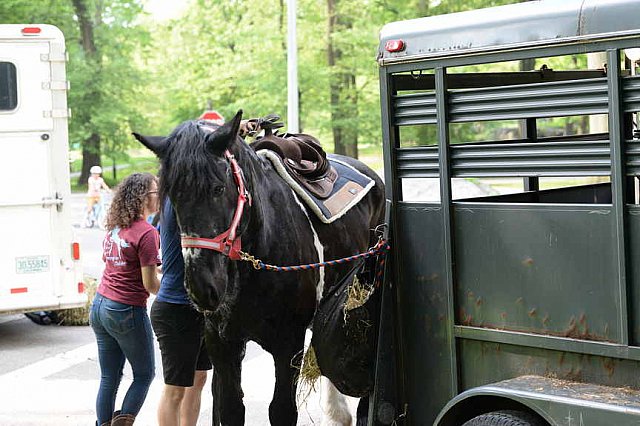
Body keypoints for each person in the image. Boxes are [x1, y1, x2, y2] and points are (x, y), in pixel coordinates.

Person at [90, 172, 161, 426]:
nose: (159, 198)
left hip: (99, 305)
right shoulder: (148, 233)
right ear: (144, 197)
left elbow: (117, 265)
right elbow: (150, 285)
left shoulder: (115, 227)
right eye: (156, 192)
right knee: (144, 374)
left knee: (109, 376)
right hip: (125, 309)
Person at [151, 196, 212, 426]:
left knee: (198, 378)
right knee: (175, 389)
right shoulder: (177, 197)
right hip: (175, 308)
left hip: (200, 306)